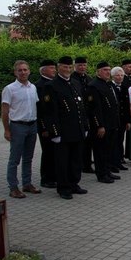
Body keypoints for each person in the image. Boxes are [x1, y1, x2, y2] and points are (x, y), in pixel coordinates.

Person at [43, 56, 89, 199]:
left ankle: (74, 183)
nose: (67, 70)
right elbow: (50, 112)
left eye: (69, 67)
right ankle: (63, 187)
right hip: (63, 131)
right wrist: (55, 133)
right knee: (63, 161)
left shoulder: (75, 83)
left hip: (77, 129)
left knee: (76, 160)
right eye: (64, 67)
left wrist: (85, 126)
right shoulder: (51, 86)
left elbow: (82, 107)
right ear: (58, 68)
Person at [1, 60, 41, 198]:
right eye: (20, 70)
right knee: (15, 158)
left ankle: (27, 183)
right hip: (18, 126)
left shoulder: (33, 87)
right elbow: (5, 112)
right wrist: (7, 130)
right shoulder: (10, 89)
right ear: (15, 72)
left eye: (25, 70)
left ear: (29, 71)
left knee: (28, 157)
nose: (23, 72)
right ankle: (13, 187)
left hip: (32, 125)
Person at [86, 62, 121, 183]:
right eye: (105, 70)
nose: (108, 72)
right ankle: (101, 174)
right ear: (98, 72)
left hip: (111, 124)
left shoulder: (108, 84)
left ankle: (107, 171)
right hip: (101, 126)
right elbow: (94, 109)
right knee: (100, 151)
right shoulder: (93, 86)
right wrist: (99, 125)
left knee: (108, 150)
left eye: (109, 70)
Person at [35, 59, 57, 188]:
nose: (54, 70)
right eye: (51, 68)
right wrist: (43, 127)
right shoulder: (39, 85)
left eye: (54, 68)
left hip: (55, 124)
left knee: (55, 151)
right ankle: (46, 178)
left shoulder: (53, 83)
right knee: (48, 152)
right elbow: (40, 109)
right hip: (45, 125)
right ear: (43, 70)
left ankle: (54, 175)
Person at [72, 56, 94, 174]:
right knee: (79, 142)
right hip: (78, 115)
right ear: (75, 66)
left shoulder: (89, 79)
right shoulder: (71, 79)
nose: (82, 67)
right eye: (79, 65)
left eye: (84, 65)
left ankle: (87, 164)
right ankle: (78, 164)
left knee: (88, 141)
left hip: (89, 114)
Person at [110, 67, 130, 171]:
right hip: (113, 120)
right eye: (118, 75)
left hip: (122, 120)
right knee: (113, 143)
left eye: (122, 75)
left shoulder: (125, 87)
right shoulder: (110, 87)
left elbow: (126, 106)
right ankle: (112, 163)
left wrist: (128, 121)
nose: (120, 77)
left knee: (120, 141)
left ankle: (119, 161)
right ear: (113, 76)